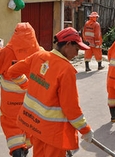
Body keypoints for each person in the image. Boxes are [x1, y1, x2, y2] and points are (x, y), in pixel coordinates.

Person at [7, 27, 94, 157]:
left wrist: (27, 85)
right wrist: (85, 129)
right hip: (53, 133)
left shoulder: (39, 56)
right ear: (68, 44)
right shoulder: (66, 70)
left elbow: (12, 72)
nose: (76, 54)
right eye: (77, 50)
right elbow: (71, 107)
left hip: (35, 127)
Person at [0, 22, 42, 157]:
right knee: (29, 124)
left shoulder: (7, 51)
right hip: (32, 102)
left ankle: (18, 150)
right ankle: (25, 147)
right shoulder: (40, 53)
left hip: (11, 103)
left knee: (12, 125)